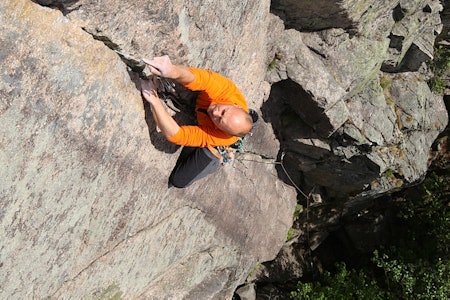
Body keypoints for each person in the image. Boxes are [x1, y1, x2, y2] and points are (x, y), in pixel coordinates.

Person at [140, 55, 253, 188]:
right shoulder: (227, 90)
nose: (215, 113)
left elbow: (177, 136)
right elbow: (200, 78)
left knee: (178, 181)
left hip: (219, 141)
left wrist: (154, 100)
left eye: (219, 120)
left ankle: (221, 157)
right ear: (236, 106)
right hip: (220, 113)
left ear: (221, 129)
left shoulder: (221, 136)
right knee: (244, 120)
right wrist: (171, 71)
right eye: (224, 111)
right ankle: (248, 123)